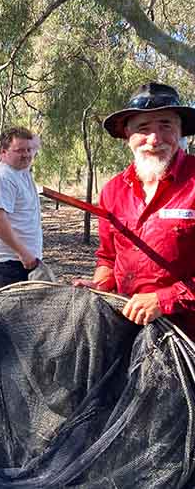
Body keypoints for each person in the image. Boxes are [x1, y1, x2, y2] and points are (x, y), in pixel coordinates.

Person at [75, 82, 195, 332]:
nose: (154, 139)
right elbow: (108, 256)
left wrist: (164, 300)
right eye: (143, 128)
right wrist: (100, 285)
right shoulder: (113, 190)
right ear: (127, 136)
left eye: (166, 125)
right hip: (126, 329)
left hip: (187, 338)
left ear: (181, 131)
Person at [0, 127, 42, 290]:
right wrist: (23, 253)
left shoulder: (20, 170)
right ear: (3, 152)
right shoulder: (1, 176)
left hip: (20, 261)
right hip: (6, 264)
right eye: (19, 150)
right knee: (10, 315)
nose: (26, 154)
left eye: (29, 149)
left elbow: (36, 143)